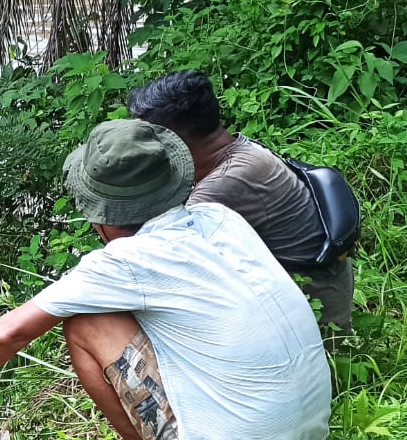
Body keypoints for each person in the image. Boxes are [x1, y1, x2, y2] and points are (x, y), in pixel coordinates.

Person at [0, 119, 331, 440]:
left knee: (86, 323)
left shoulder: (126, 262)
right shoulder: (220, 218)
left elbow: (9, 334)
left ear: (99, 216)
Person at [128, 70, 354, 331]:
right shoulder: (245, 150)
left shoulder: (220, 188)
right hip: (321, 293)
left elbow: (162, 270)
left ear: (173, 141)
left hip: (316, 322)